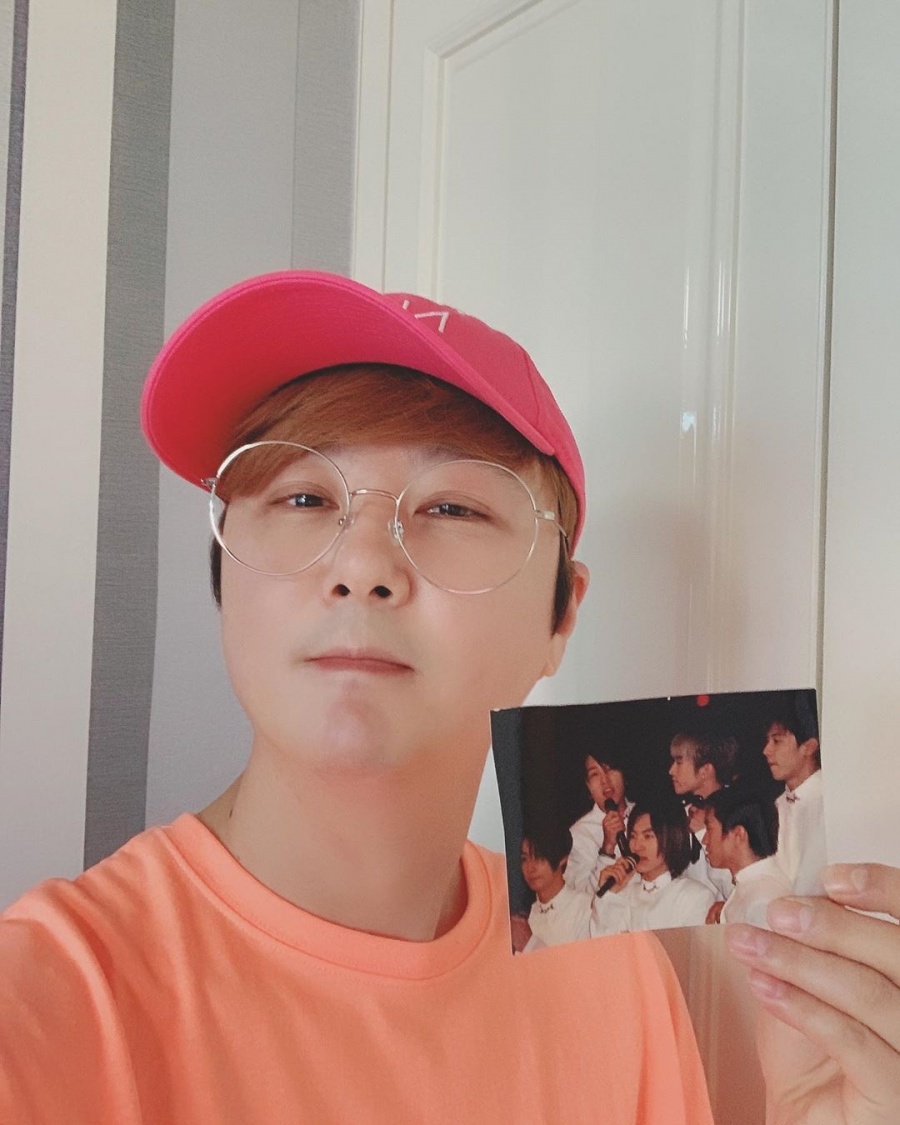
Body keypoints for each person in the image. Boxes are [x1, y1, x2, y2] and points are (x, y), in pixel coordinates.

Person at [1, 272, 898, 1122]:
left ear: (561, 615)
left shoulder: (611, 983)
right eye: (303, 495)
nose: (362, 564)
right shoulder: (48, 1006)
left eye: (453, 508)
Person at [589, 797, 716, 937]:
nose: (637, 846)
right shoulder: (623, 894)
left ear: (671, 838)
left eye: (648, 836)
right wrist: (609, 895)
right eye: (633, 836)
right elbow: (602, 944)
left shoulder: (694, 896)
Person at [762, 693, 826, 896]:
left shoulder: (828, 803)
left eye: (777, 741)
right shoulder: (778, 804)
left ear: (809, 747)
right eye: (767, 741)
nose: (766, 750)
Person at [703, 786, 791, 928]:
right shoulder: (751, 887)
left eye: (709, 829)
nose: (705, 840)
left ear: (739, 834)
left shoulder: (763, 900)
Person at [668, 731, 736, 908]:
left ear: (705, 771)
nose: (671, 770)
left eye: (679, 762)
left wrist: (703, 832)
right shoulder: (681, 814)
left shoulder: (736, 815)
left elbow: (740, 888)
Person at [564, 752, 634, 894]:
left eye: (609, 769)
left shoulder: (646, 816)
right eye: (594, 774)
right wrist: (607, 849)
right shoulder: (578, 834)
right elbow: (583, 896)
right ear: (588, 786)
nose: (604, 780)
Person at [518, 830, 591, 949]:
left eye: (539, 857)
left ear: (562, 859)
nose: (530, 868)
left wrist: (530, 944)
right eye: (525, 858)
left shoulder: (586, 908)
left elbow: (581, 960)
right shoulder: (527, 915)